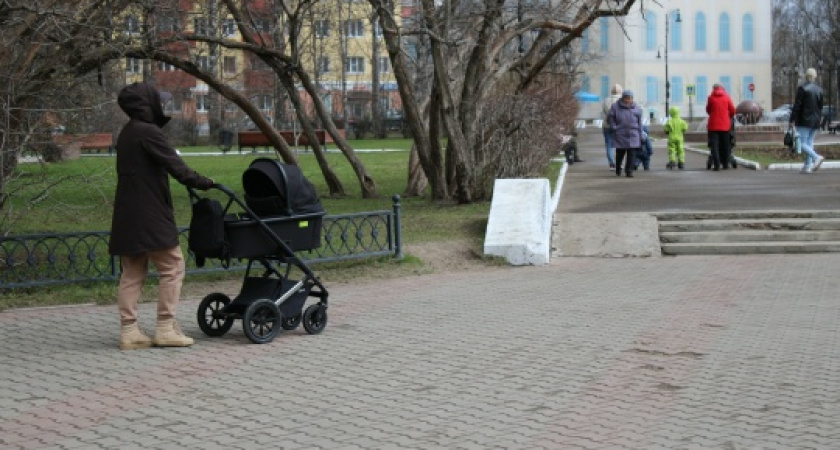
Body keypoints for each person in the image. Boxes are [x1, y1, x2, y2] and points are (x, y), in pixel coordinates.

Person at [110, 82, 215, 350]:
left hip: (127, 211)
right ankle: (165, 327)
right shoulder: (148, 133)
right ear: (147, 104)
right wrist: (205, 182)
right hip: (150, 211)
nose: (163, 105)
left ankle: (129, 330)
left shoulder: (127, 133)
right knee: (172, 266)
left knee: (132, 272)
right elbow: (177, 168)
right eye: (159, 101)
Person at [789, 68, 825, 174]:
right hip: (815, 121)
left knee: (801, 143)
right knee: (809, 143)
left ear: (806, 76)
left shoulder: (802, 88)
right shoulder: (819, 90)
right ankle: (807, 166)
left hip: (804, 120)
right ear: (815, 76)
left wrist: (792, 119)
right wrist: (820, 119)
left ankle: (816, 157)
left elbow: (797, 106)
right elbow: (820, 107)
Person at [607, 90, 643, 178]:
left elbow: (640, 121)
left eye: (630, 98)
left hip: (633, 133)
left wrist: (640, 132)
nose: (628, 100)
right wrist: (614, 127)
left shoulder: (636, 108)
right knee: (620, 153)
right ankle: (618, 168)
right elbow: (610, 118)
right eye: (626, 98)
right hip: (620, 133)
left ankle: (629, 171)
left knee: (632, 154)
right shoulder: (615, 107)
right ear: (623, 98)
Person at [705, 83, 736, 170]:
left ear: (714, 89)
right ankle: (725, 164)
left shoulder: (711, 98)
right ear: (723, 89)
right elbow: (732, 110)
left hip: (713, 126)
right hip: (725, 126)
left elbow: (708, 110)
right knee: (725, 145)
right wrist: (728, 116)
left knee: (714, 145)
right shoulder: (727, 97)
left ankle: (717, 164)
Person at [601, 83, 623, 170]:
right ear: (620, 91)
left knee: (609, 145)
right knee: (620, 145)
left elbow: (604, 111)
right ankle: (619, 163)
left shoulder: (606, 100)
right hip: (619, 125)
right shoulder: (621, 100)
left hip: (607, 125)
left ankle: (611, 164)